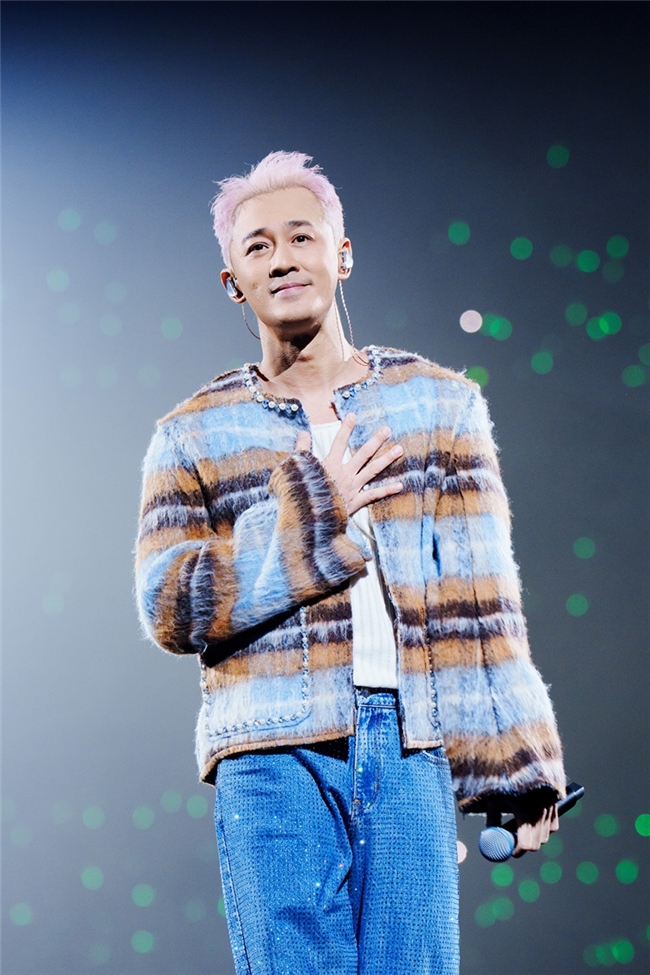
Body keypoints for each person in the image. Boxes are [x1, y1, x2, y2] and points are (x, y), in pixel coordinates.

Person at [135, 151, 565, 975]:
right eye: (258, 246)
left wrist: (517, 762)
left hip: (409, 744)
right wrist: (311, 513)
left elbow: (481, 601)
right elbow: (170, 604)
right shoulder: (191, 433)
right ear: (233, 282)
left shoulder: (439, 404)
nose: (282, 258)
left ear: (343, 254)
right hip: (270, 749)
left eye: (302, 236)